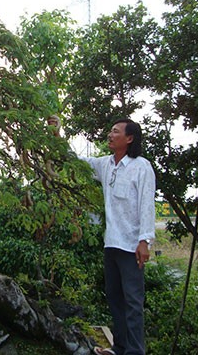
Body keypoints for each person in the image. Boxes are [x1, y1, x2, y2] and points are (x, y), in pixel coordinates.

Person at [80, 119, 155, 355]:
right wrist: (58, 135)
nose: (110, 135)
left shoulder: (141, 167)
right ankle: (119, 347)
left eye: (115, 131)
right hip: (111, 243)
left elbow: (146, 205)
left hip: (132, 245)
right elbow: (80, 163)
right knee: (115, 298)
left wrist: (145, 241)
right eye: (110, 130)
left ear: (129, 138)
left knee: (133, 302)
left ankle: (134, 351)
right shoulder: (107, 165)